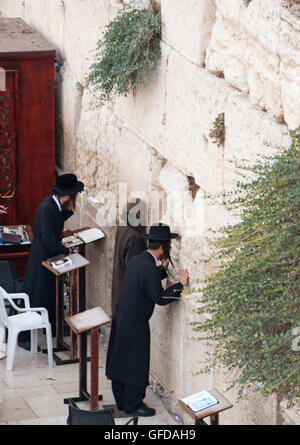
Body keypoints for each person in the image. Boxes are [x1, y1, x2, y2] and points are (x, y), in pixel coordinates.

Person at [106, 223, 189, 417]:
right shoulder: (149, 267)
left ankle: (123, 401)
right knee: (135, 363)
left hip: (122, 317)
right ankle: (133, 405)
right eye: (168, 245)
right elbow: (160, 298)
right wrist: (180, 285)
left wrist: (161, 270)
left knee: (121, 360)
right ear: (162, 247)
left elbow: (144, 280)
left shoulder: (139, 260)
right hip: (135, 323)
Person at [17, 174, 84, 351]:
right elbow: (48, 239)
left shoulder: (54, 206)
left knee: (51, 293)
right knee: (36, 295)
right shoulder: (47, 208)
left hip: (48, 256)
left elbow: (57, 221)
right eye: (75, 195)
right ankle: (23, 336)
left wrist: (69, 211)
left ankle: (54, 327)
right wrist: (67, 251)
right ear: (69, 196)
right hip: (42, 257)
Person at [111, 200, 147, 316]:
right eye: (142, 213)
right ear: (137, 215)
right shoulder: (135, 238)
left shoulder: (122, 228)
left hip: (120, 291)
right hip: (128, 299)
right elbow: (135, 271)